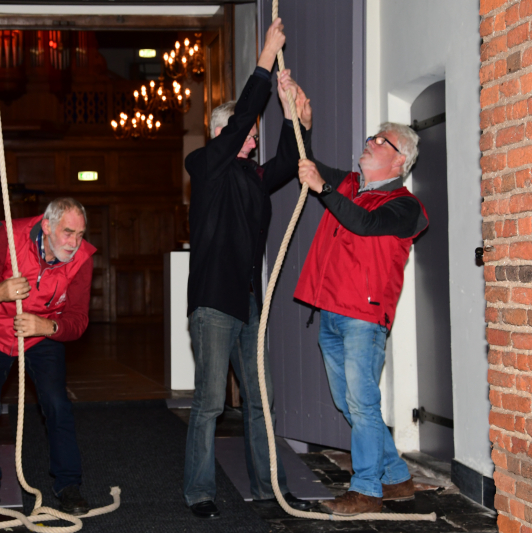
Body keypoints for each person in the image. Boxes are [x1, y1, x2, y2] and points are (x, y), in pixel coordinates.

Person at [182, 17, 313, 520]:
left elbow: (285, 162)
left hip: (249, 305)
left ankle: (268, 489)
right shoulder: (206, 165)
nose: (253, 141)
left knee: (261, 403)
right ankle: (199, 492)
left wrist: (296, 117)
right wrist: (265, 58)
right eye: (247, 134)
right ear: (222, 133)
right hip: (213, 305)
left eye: (255, 135)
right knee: (211, 403)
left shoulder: (251, 177)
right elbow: (240, 124)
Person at [289, 78, 429, 514]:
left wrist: (324, 190)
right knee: (350, 403)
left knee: (362, 404)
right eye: (370, 138)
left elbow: (363, 226)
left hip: (363, 320)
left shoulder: (407, 207)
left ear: (399, 158)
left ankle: (367, 490)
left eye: (379, 140)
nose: (367, 143)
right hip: (331, 314)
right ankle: (398, 479)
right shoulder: (351, 185)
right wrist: (303, 124)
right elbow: (309, 163)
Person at [0, 197, 95, 519]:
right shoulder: (8, 236)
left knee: (57, 405)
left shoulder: (83, 258)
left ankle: (68, 486)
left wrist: (47, 326)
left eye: (79, 234)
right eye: (67, 233)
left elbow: (78, 321)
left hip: (40, 335)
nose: (74, 243)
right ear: (47, 226)